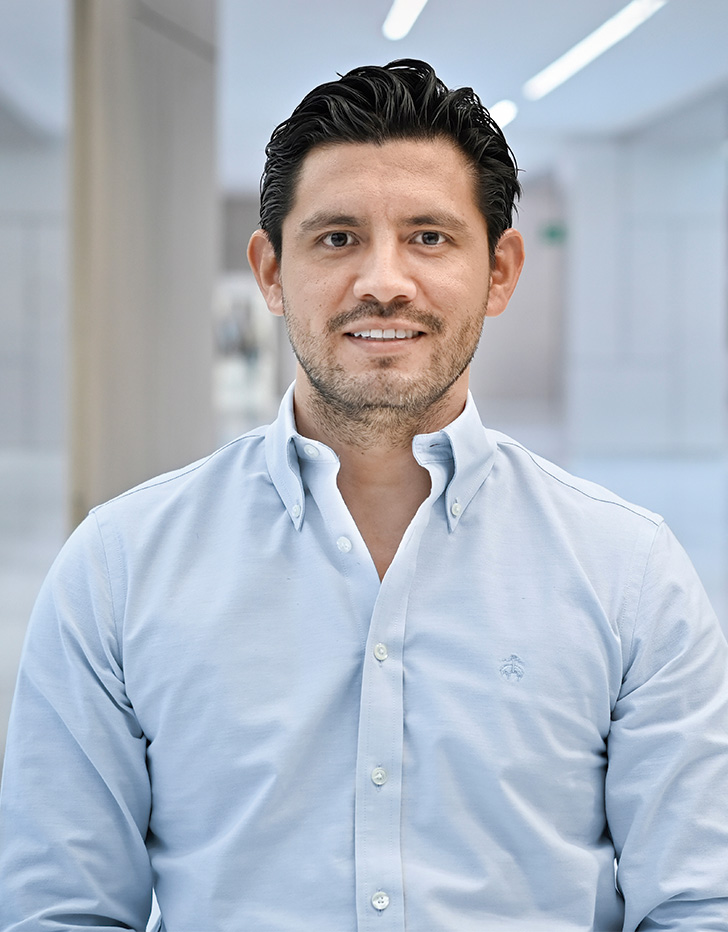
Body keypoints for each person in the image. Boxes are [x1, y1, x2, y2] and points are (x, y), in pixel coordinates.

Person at [1, 58, 727, 932]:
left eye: (429, 236)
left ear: (500, 270)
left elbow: (696, 904)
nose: (384, 280)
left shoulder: (630, 574)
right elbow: (61, 912)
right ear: (271, 272)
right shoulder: (118, 568)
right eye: (337, 237)